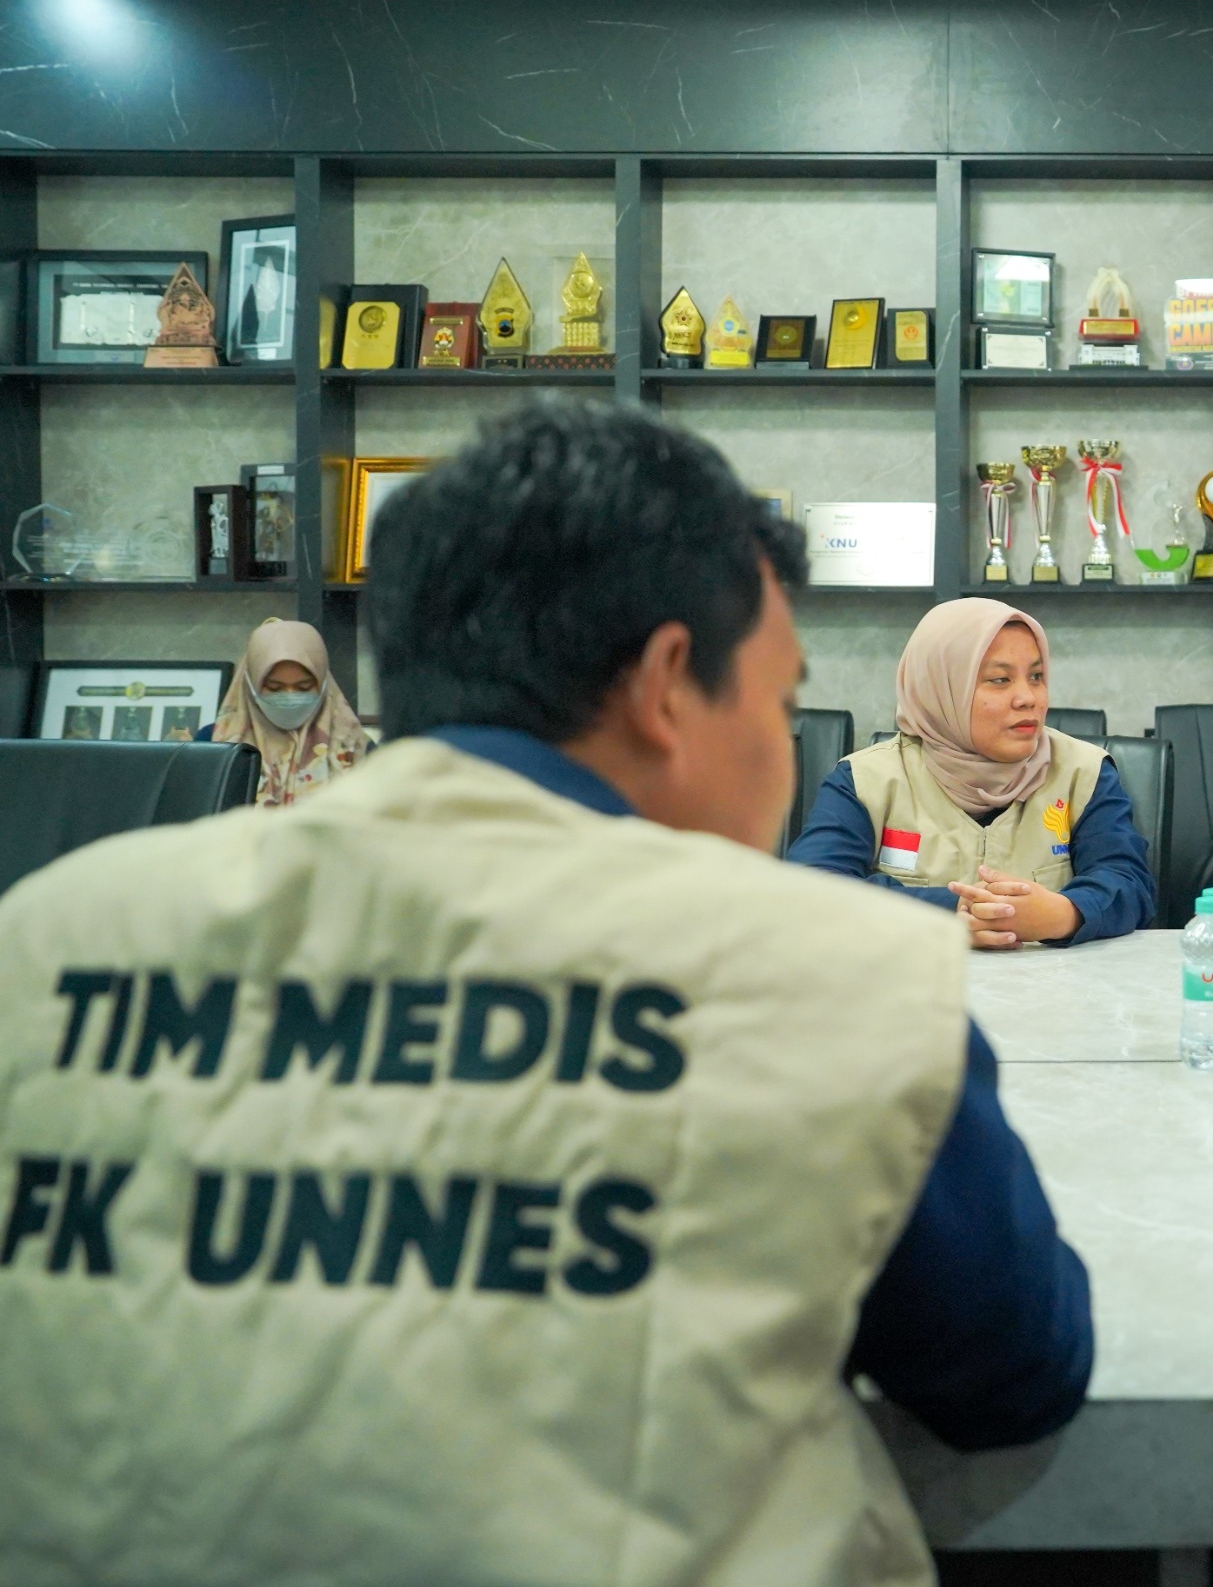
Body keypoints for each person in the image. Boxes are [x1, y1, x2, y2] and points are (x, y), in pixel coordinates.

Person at [0, 401, 1091, 1586]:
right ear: (668, 685)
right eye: (777, 707)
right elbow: (1009, 1374)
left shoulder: (43, 937)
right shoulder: (843, 972)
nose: (783, 751)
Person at [786, 598, 1154, 949]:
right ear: (942, 688)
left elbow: (1129, 882)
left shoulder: (1084, 772)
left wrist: (1064, 914)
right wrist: (951, 913)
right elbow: (810, 889)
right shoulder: (866, 780)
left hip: (1056, 993)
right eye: (999, 680)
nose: (1028, 698)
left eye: (1037, 676)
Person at [203, 616, 370, 806]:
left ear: (324, 685)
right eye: (274, 688)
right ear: (249, 684)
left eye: (304, 687)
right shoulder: (210, 745)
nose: (290, 696)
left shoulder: (356, 747)